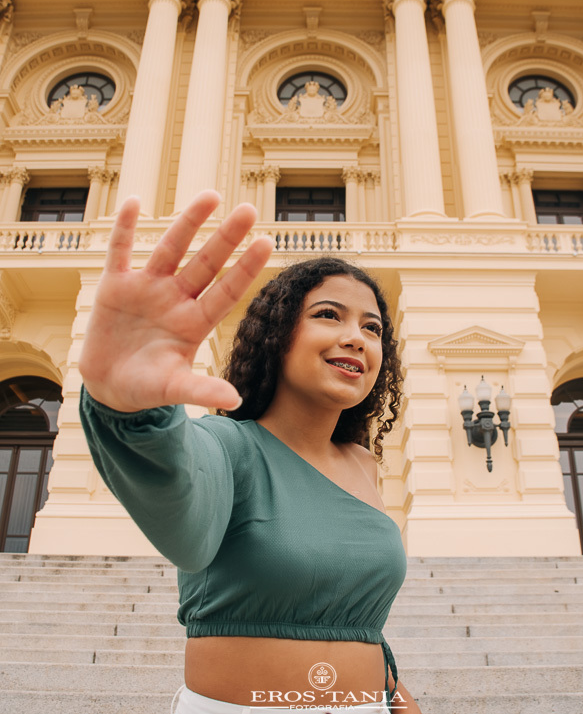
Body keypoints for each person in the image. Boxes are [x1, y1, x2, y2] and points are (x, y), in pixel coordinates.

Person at [78, 191, 421, 714]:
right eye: (329, 315)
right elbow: (182, 520)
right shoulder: (226, 445)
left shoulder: (364, 465)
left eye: (372, 327)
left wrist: (398, 699)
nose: (356, 337)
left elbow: (358, 625)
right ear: (278, 335)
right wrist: (129, 406)